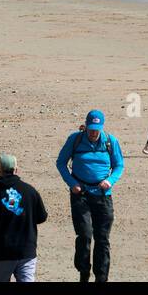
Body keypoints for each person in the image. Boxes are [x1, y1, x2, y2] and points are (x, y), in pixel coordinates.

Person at [56, 109, 123, 282]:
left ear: (102, 127)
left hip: (103, 195)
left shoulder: (110, 141)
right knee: (85, 235)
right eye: (91, 128)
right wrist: (72, 184)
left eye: (96, 129)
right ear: (86, 126)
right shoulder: (75, 139)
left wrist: (110, 181)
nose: (93, 132)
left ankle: (101, 277)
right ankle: (83, 272)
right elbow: (61, 163)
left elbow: (119, 166)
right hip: (81, 195)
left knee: (102, 239)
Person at [0, 152, 48, 282]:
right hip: (27, 250)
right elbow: (42, 217)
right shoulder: (30, 191)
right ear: (16, 170)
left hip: (2, 252)